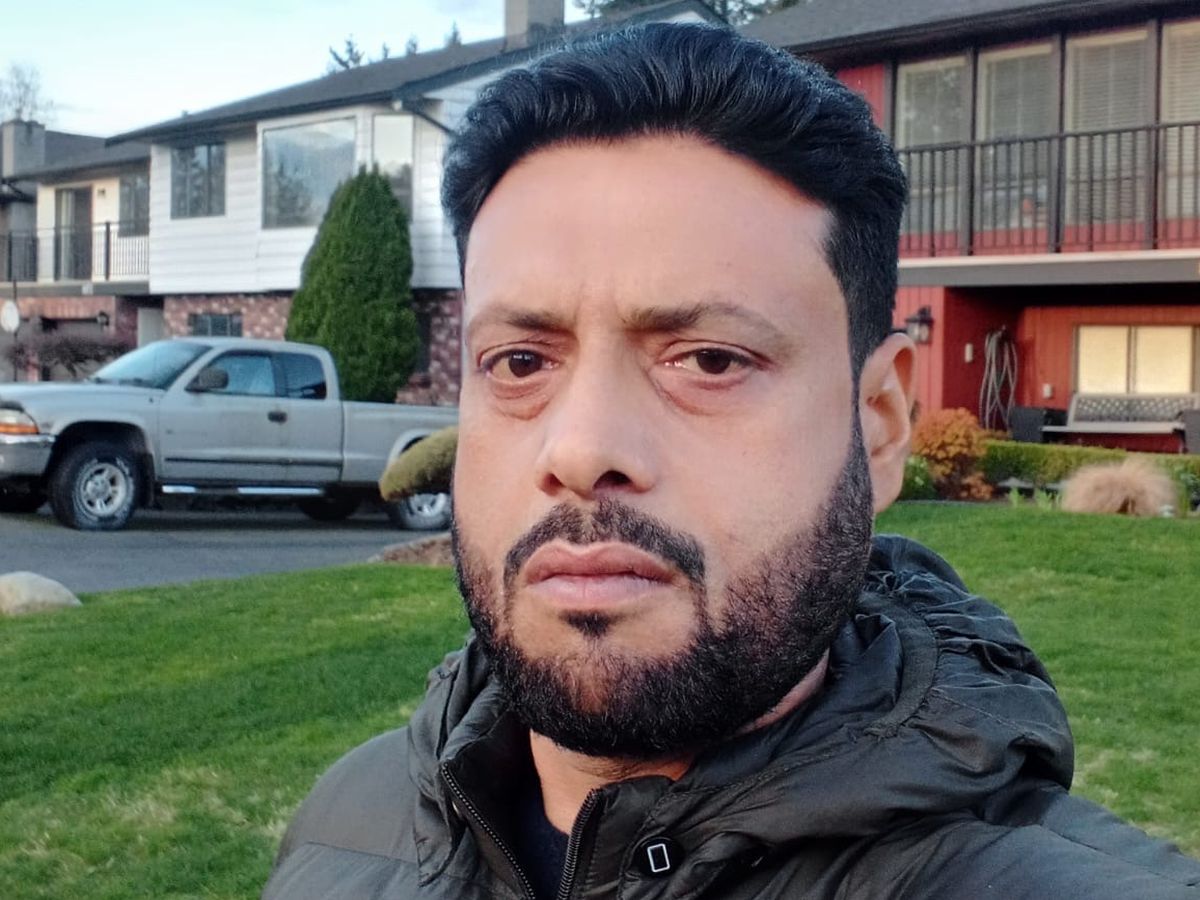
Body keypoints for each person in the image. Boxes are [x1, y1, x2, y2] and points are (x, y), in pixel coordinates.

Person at [264, 23, 1200, 899]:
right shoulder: (350, 821)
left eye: (710, 360)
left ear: (878, 424)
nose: (581, 449)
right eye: (519, 363)